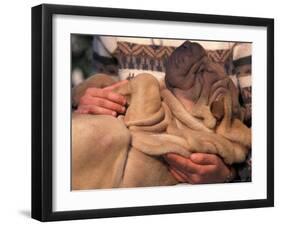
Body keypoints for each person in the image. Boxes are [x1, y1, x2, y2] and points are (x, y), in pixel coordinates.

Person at [73, 36, 252, 184]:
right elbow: (106, 87)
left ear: (207, 113)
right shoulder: (110, 31)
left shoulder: (247, 35)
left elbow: (271, 145)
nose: (188, 46)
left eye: (200, 70)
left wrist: (229, 176)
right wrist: (84, 100)